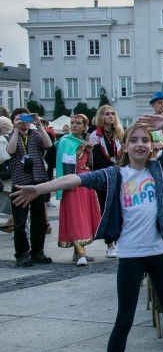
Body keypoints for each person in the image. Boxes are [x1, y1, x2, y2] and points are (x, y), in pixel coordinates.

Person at [12, 115, 163, 352]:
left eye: (144, 140)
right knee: (124, 318)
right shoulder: (114, 175)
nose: (139, 144)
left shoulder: (159, 168)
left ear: (151, 147)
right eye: (133, 140)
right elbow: (75, 180)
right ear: (124, 145)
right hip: (131, 254)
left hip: (158, 250)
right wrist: (40, 189)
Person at [7, 108, 53, 267]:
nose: (23, 122)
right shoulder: (12, 136)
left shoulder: (36, 134)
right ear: (13, 121)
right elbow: (11, 150)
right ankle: (21, 254)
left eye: (25, 118)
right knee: (20, 222)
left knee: (39, 219)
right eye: (19, 119)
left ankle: (37, 251)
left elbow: (48, 144)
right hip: (20, 182)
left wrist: (39, 125)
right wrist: (15, 129)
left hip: (38, 181)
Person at [55, 114, 101, 266]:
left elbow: (86, 164)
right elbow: (67, 163)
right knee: (76, 216)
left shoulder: (81, 141)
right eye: (72, 122)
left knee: (85, 215)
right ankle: (80, 251)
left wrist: (88, 151)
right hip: (73, 183)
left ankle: (78, 252)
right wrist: (81, 150)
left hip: (85, 183)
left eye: (78, 123)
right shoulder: (65, 141)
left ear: (84, 126)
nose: (74, 125)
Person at [89, 105, 124, 257]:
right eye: (107, 114)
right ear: (100, 117)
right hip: (104, 174)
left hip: (120, 172)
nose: (110, 116)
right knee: (107, 207)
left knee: (123, 206)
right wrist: (113, 168)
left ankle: (121, 240)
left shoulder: (119, 134)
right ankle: (110, 243)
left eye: (112, 114)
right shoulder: (95, 135)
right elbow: (97, 158)